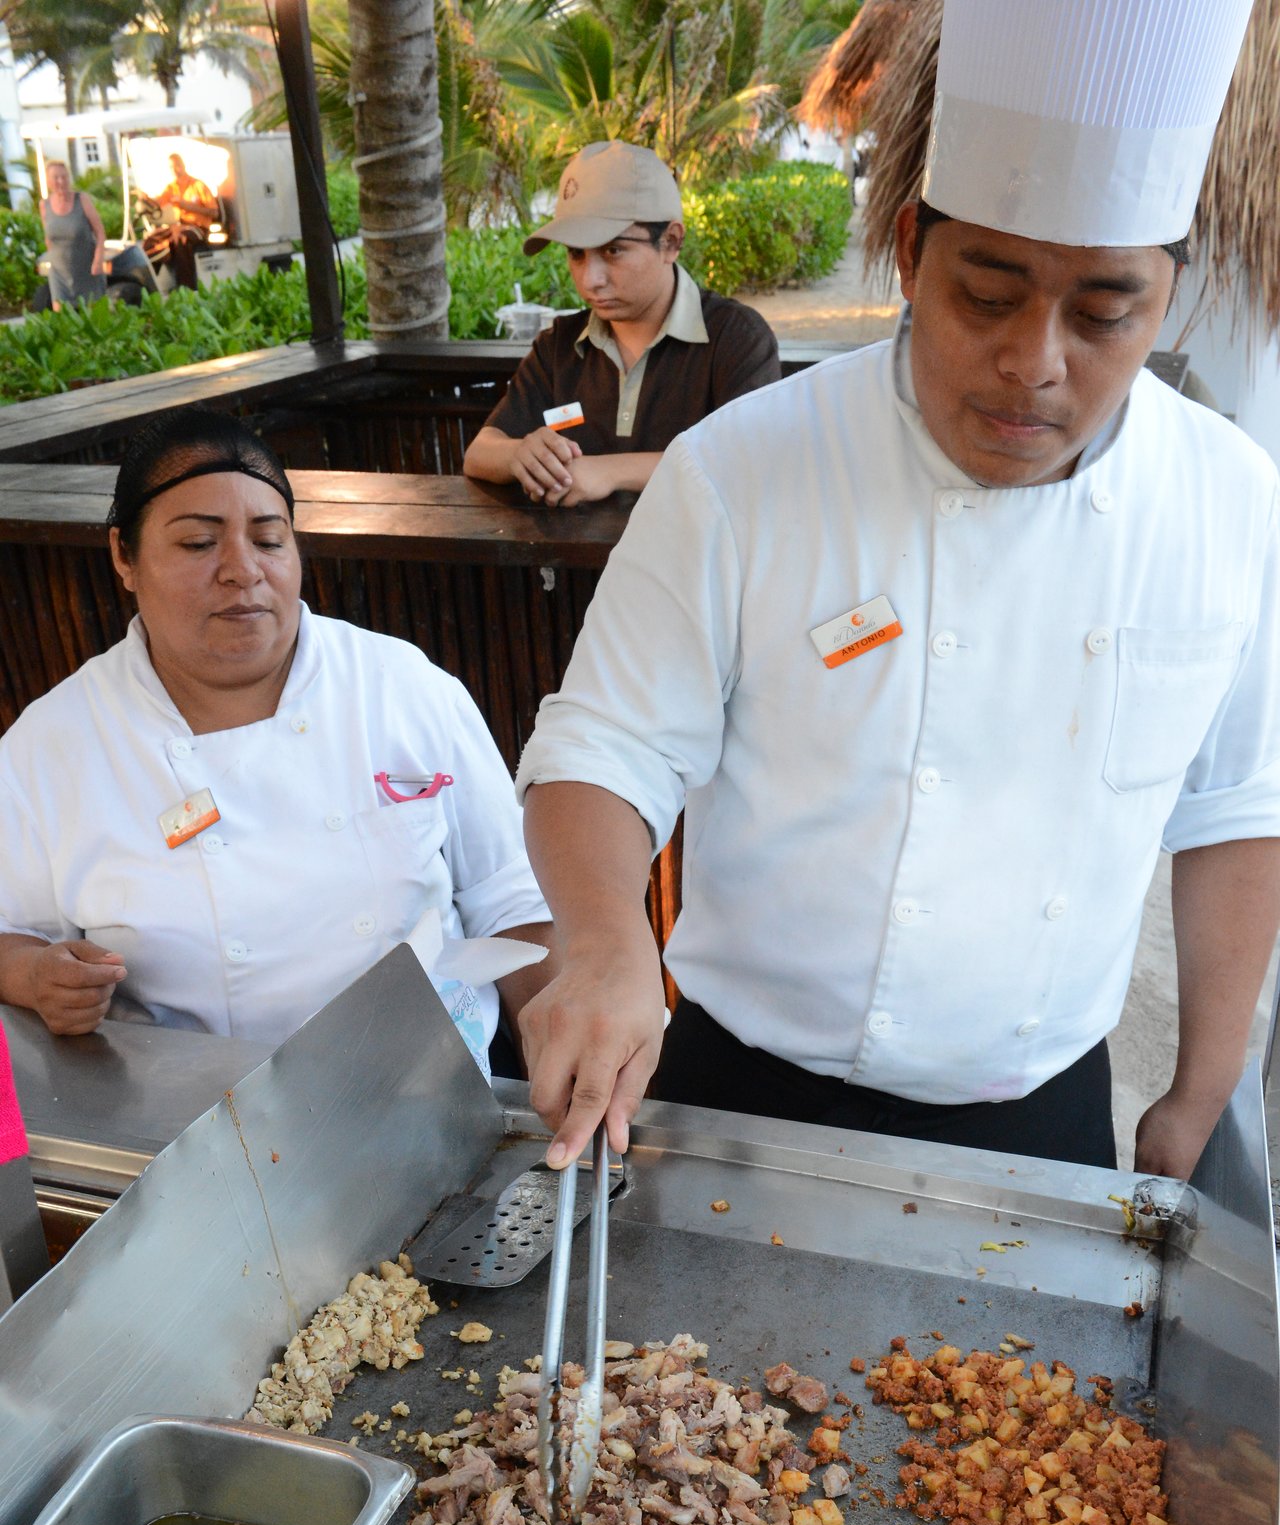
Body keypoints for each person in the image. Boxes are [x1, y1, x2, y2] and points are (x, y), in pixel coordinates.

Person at [513, 0, 1278, 1184]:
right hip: (734, 1093)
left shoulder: (1227, 499)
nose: (1034, 360)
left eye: (1101, 312)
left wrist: (1199, 1091)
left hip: (1037, 1109)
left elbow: (1234, 809)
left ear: (1160, 301)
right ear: (913, 252)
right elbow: (603, 746)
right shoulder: (742, 468)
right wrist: (607, 946)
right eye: (987, 292)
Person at [0, 409, 552, 1070]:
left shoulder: (401, 687)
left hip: (431, 1097)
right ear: (124, 555)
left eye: (269, 538)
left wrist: (554, 1044)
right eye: (199, 544)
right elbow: (12, 932)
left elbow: (512, 896)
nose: (243, 569)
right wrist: (37, 977)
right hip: (192, 1122)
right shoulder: (53, 744)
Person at [463, 142, 779, 507]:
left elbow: (749, 463)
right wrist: (519, 454)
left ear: (671, 242)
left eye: (612, 250)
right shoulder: (560, 347)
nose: (590, 279)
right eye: (576, 254)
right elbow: (480, 453)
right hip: (578, 563)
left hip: (693, 562)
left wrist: (610, 472)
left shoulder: (736, 338)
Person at [38, 160, 106, 310]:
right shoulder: (44, 205)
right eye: (56, 177)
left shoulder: (82, 199)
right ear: (48, 181)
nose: (61, 181)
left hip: (87, 269)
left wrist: (99, 259)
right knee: (62, 319)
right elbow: (48, 238)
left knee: (93, 317)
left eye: (64, 176)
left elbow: (100, 232)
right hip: (59, 272)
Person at [149, 152, 218, 290]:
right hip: (179, 226)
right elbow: (157, 204)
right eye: (171, 167)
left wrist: (187, 206)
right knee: (153, 238)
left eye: (177, 166)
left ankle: (187, 287)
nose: (174, 170)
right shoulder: (171, 187)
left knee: (181, 239)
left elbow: (214, 212)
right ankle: (152, 282)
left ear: (183, 166)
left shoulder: (198, 185)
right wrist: (144, 198)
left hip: (198, 228)